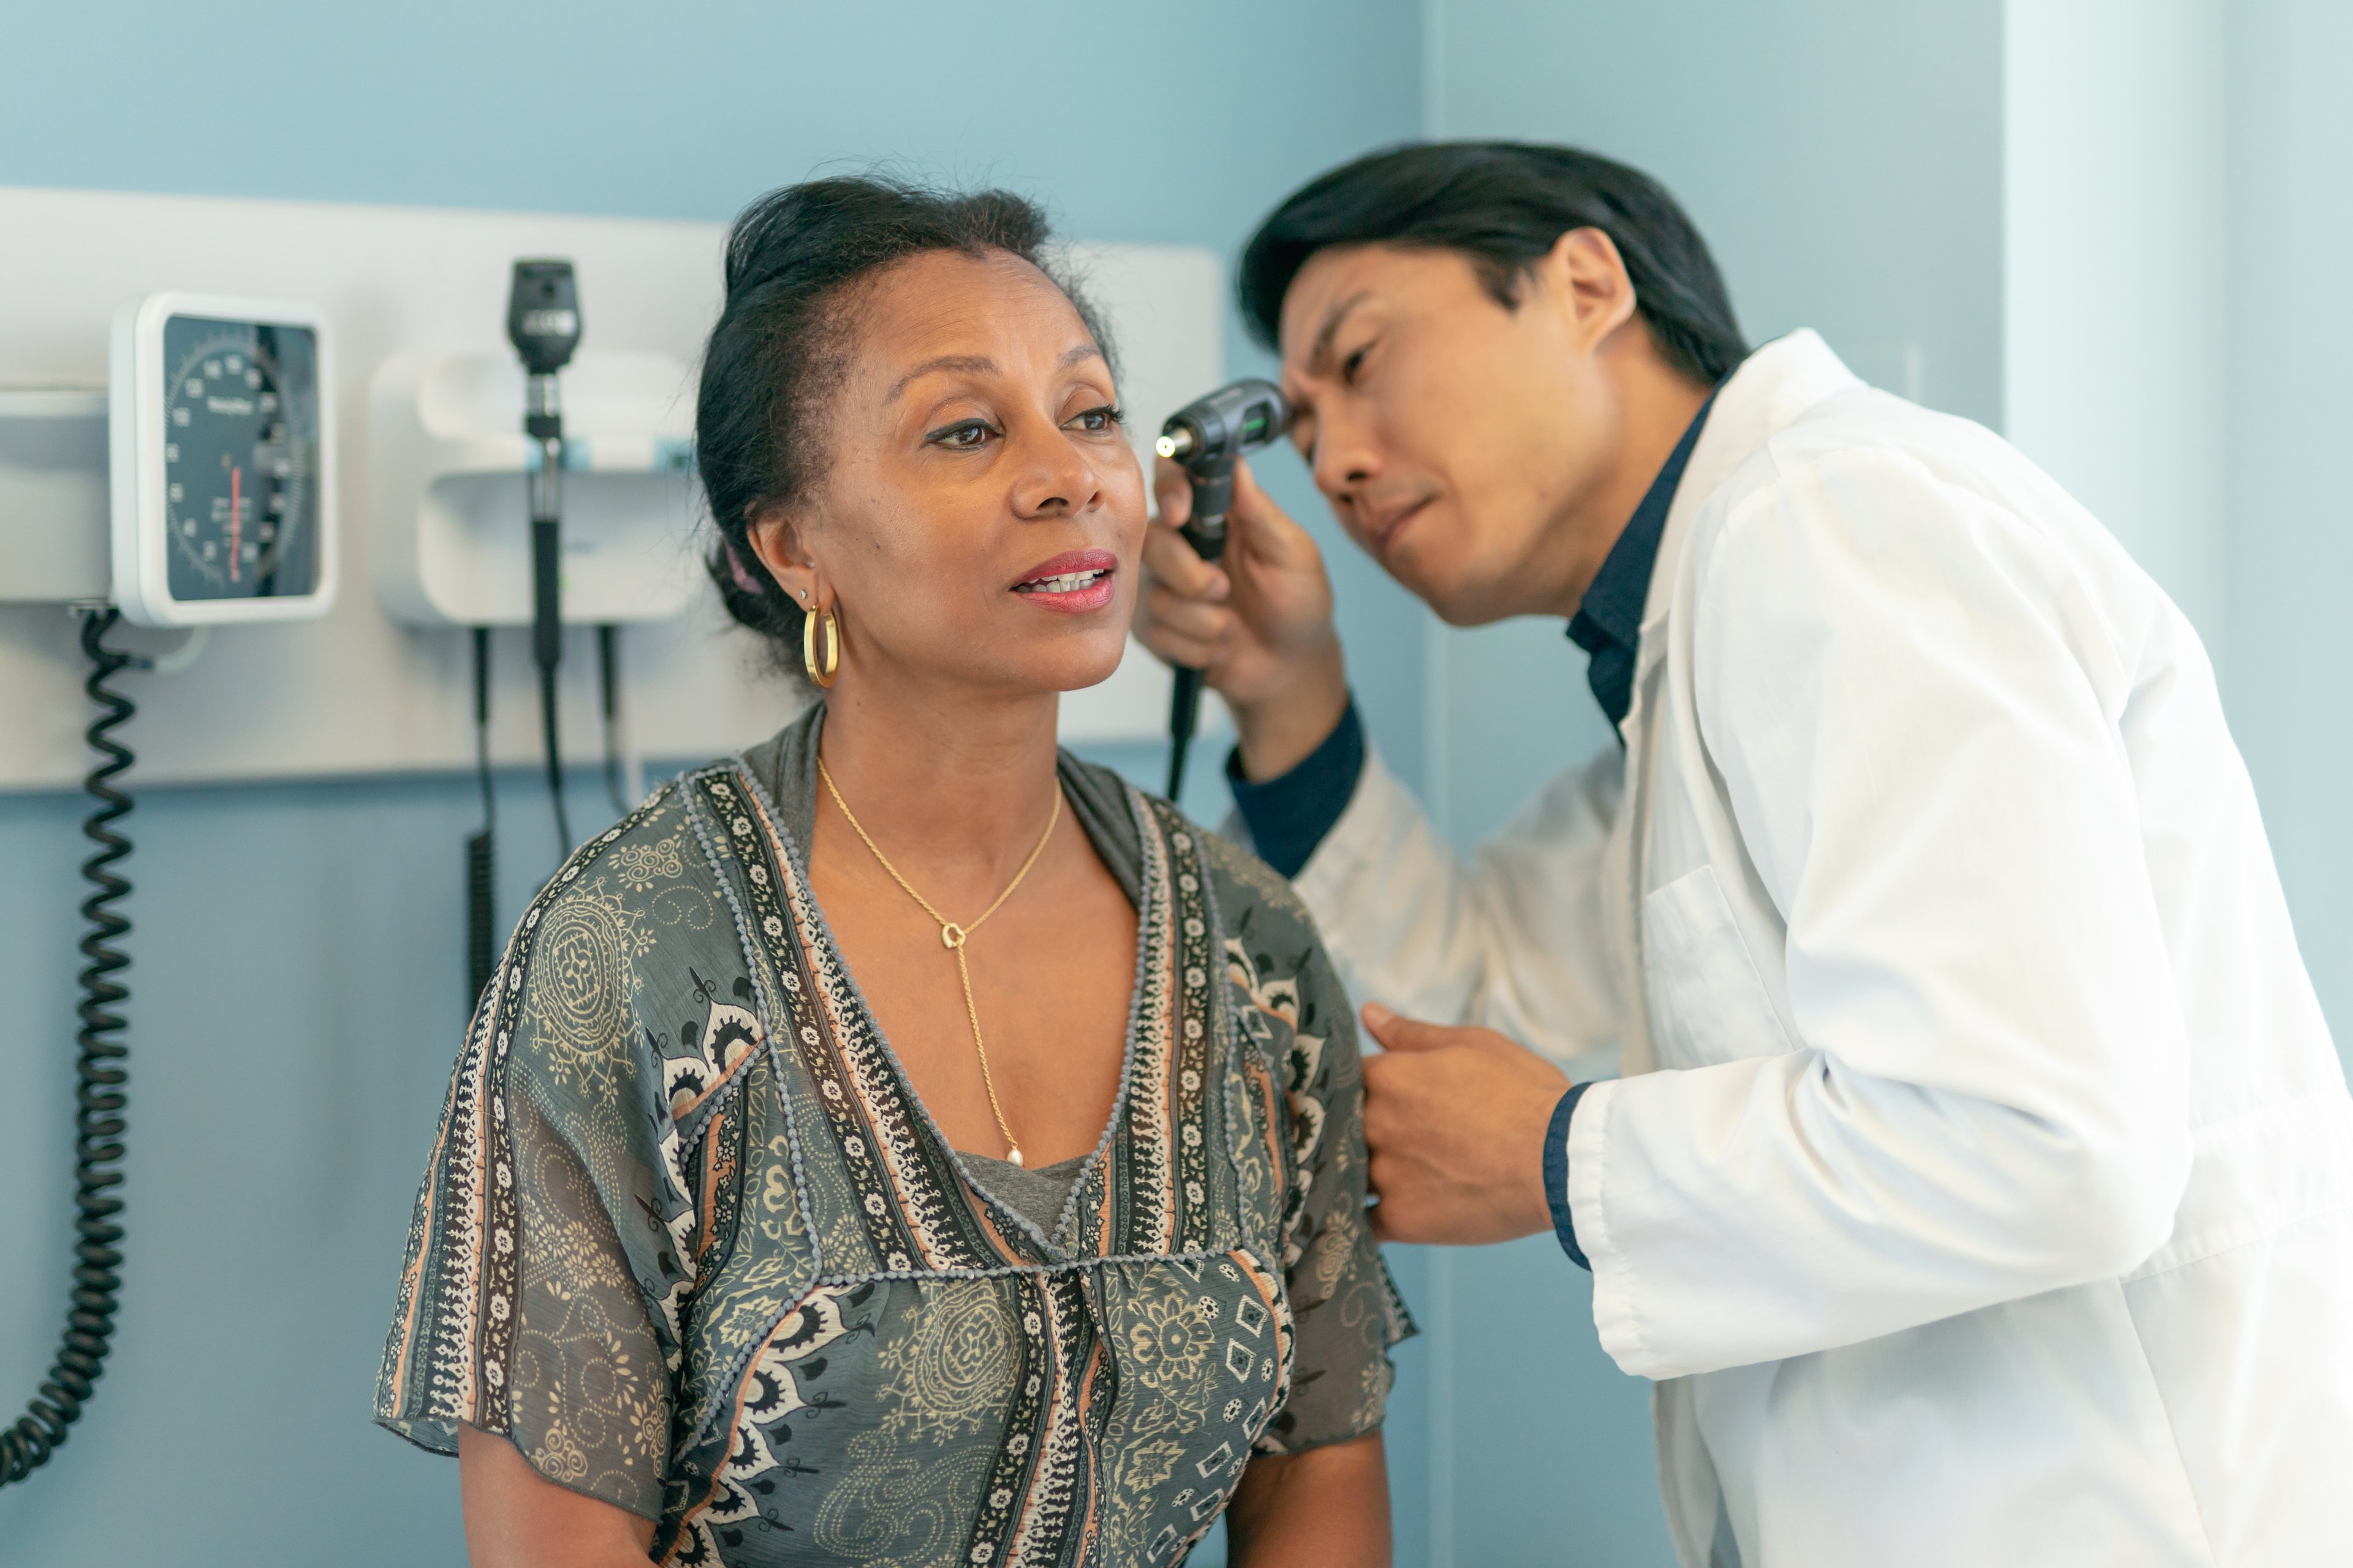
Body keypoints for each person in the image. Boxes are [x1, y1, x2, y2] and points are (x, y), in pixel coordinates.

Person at [1138, 141, 2353, 1566]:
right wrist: (1288, 695)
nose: (1338, 461)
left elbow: (2048, 1138)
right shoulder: (1690, 649)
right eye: (1300, 427)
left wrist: (1561, 1157)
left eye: (1362, 361)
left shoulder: (1836, 517)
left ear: (1585, 284)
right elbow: (1477, 1003)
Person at [376, 176, 1408, 1568]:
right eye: (967, 429)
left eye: (1091, 412)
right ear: (792, 545)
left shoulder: (1251, 952)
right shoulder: (631, 957)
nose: (1071, 475)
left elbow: (1318, 1481)